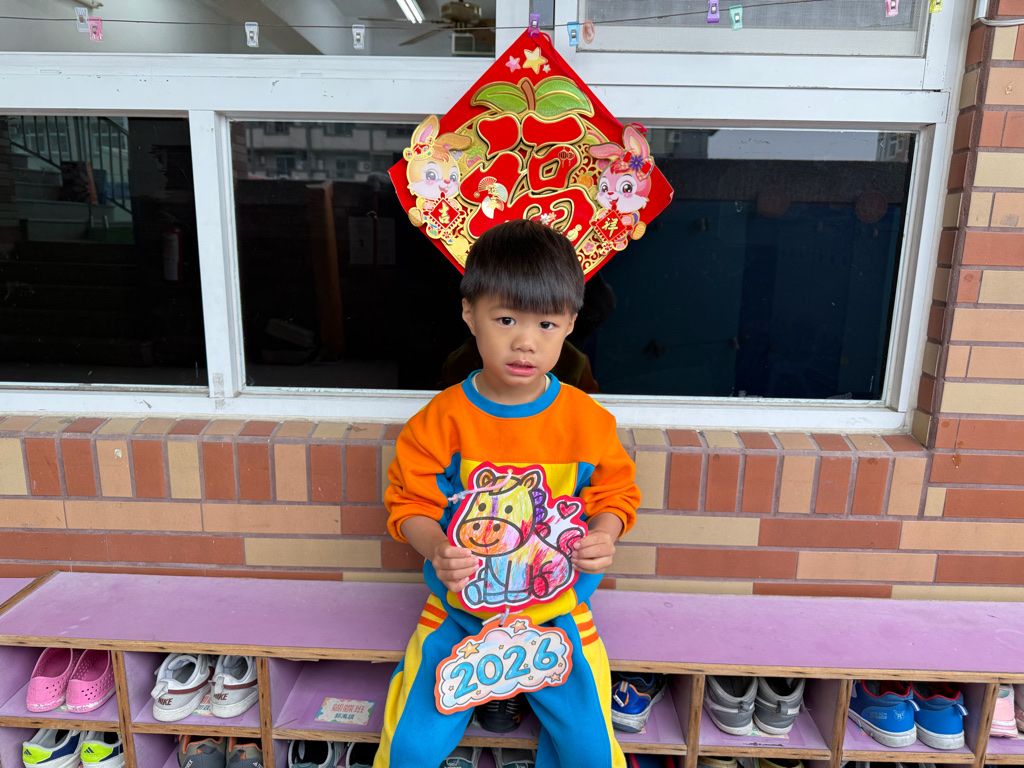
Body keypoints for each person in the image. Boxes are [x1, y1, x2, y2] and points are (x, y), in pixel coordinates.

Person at [373, 219, 641, 768]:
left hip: (559, 614)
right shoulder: (441, 420)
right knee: (409, 749)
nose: (525, 341)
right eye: (505, 319)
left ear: (570, 323)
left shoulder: (587, 421)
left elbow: (616, 494)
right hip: (458, 613)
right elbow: (410, 504)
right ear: (469, 313)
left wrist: (604, 534)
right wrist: (436, 549)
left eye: (546, 323)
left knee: (592, 753)